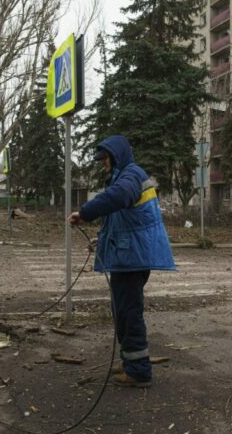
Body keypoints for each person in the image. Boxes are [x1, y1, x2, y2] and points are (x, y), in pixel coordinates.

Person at [68, 135, 176, 388]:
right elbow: (124, 221)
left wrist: (85, 213)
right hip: (128, 256)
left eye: (105, 158)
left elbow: (118, 197)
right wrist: (100, 240)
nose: (103, 163)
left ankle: (139, 372)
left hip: (133, 259)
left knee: (129, 313)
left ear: (117, 156)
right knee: (123, 313)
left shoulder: (131, 176)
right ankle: (130, 362)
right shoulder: (124, 176)